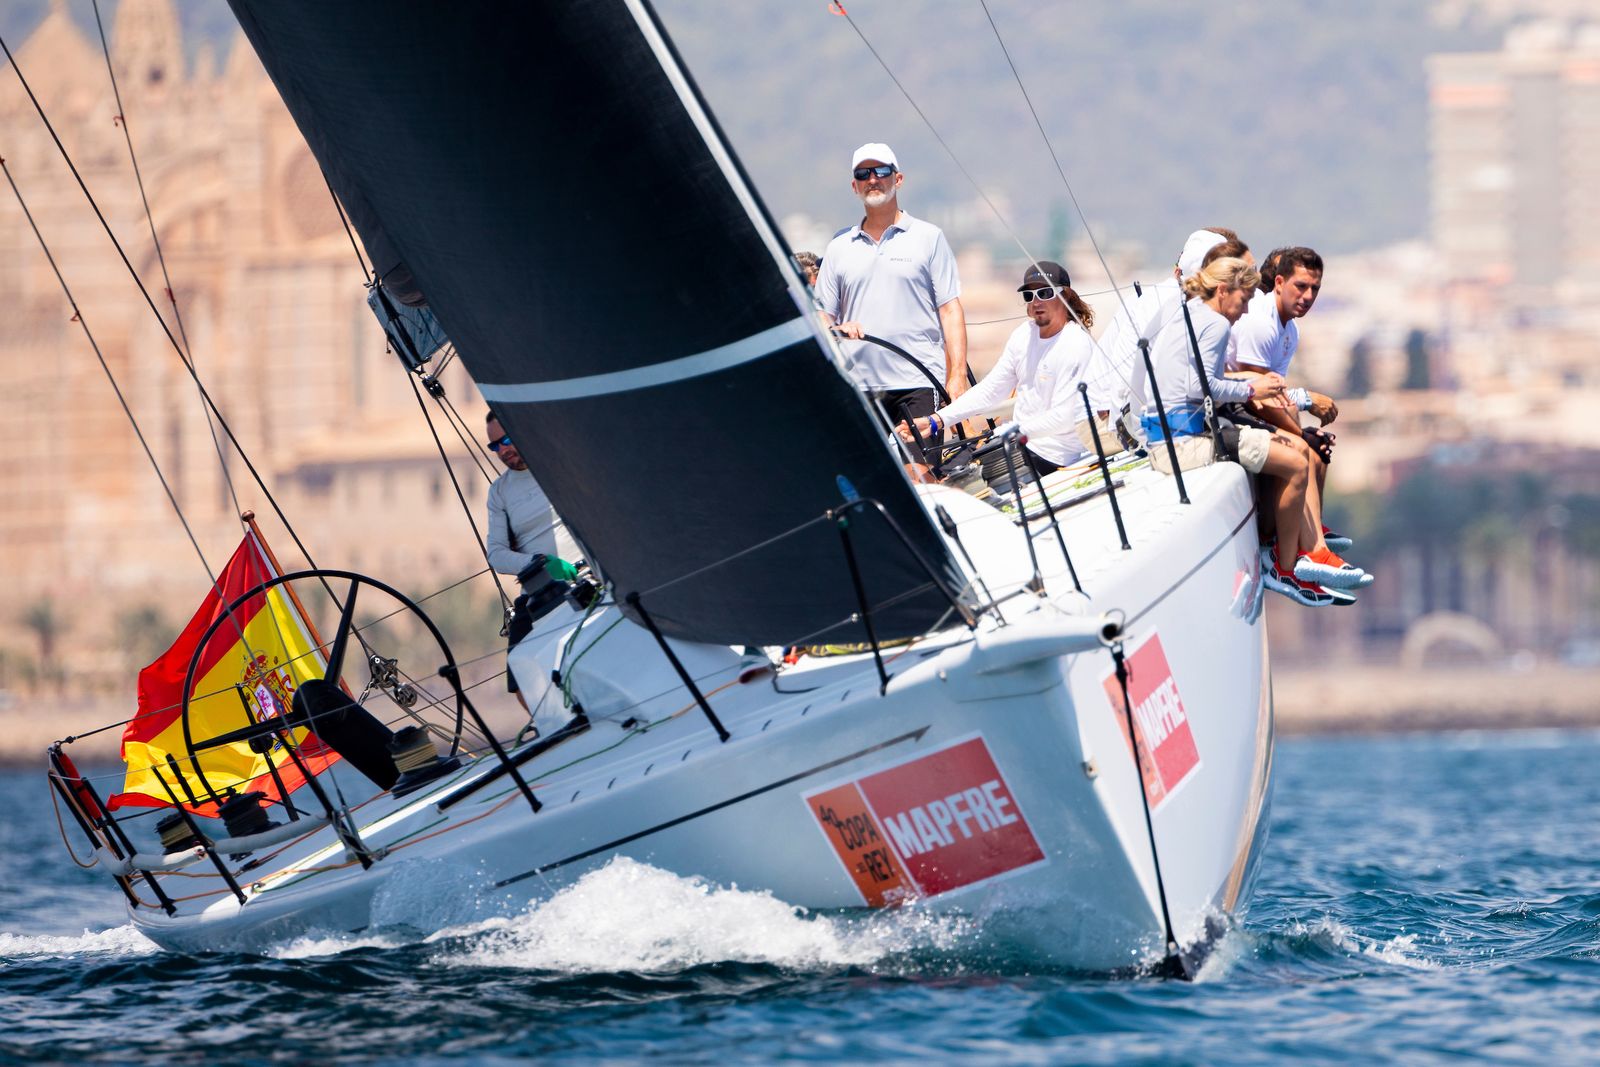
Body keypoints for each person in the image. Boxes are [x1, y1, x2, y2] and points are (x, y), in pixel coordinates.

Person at [1142, 258, 1349, 606]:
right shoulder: (1216, 324)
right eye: (1245, 298)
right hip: (1183, 443)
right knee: (1296, 461)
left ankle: (1298, 546)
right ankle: (1286, 568)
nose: (1247, 309)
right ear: (1224, 291)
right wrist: (1252, 390)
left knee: (1295, 449)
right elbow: (1201, 387)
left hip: (1165, 436)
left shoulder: (1188, 313)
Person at [816, 143, 968, 477]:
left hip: (917, 380)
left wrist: (957, 375)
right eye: (863, 174)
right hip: (861, 385)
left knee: (921, 478)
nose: (873, 179)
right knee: (867, 481)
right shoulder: (838, 248)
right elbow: (822, 316)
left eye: (881, 171)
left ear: (897, 179)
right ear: (854, 186)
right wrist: (836, 329)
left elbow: (950, 309)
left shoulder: (928, 237)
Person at [1227, 246, 1366, 582]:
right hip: (1232, 408)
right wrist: (1299, 433)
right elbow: (1257, 396)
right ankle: (1296, 559)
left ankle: (1311, 536)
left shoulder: (1290, 330)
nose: (1308, 297)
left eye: (1314, 289)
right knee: (1301, 451)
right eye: (1301, 286)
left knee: (1317, 451)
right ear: (1279, 283)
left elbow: (1276, 397)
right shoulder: (1261, 322)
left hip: (1253, 405)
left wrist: (1303, 430)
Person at [897, 260, 1092, 478]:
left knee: (960, 483)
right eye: (1029, 295)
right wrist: (936, 421)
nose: (1036, 301)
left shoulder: (1075, 344)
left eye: (1045, 293)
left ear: (1066, 296)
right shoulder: (1024, 334)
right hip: (1018, 444)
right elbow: (991, 389)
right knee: (938, 476)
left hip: (1054, 456)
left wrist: (1010, 430)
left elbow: (1064, 416)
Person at [1083, 227, 1251, 454]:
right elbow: (1192, 383)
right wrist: (1250, 389)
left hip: (1133, 417)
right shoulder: (1178, 305)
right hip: (1132, 425)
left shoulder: (1174, 298)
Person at [484, 411, 570, 708]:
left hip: (583, 577)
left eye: (506, 440)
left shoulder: (558, 465)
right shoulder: (499, 493)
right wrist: (539, 562)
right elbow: (496, 555)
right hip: (538, 588)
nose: (503, 450)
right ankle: (558, 726)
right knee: (520, 681)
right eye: (495, 446)